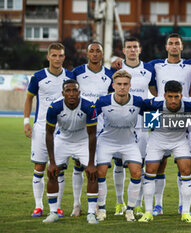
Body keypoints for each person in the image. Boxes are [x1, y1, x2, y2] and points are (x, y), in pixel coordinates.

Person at [112, 33, 191, 216]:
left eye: (177, 43)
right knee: (155, 163)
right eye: (171, 43)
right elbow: (135, 64)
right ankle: (156, 205)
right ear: (166, 47)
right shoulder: (155, 64)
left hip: (183, 114)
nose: (174, 46)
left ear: (182, 47)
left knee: (183, 164)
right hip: (158, 113)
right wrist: (117, 62)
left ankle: (181, 206)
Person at [24, 42, 74, 217]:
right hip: (41, 128)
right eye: (54, 55)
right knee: (39, 167)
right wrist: (26, 122)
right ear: (48, 57)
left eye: (60, 55)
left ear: (64, 57)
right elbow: (29, 99)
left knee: (58, 168)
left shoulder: (70, 76)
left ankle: (58, 207)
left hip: (63, 130)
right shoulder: (38, 77)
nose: (57, 58)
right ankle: (38, 206)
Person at [138, 80, 191, 223]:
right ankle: (148, 212)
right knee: (150, 172)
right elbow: (139, 111)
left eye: (176, 97)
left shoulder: (190, 105)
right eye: (170, 96)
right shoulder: (153, 105)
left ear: (181, 96)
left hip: (179, 141)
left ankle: (185, 212)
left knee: (186, 171)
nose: (173, 100)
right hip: (157, 140)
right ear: (164, 95)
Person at [111, 37, 157, 217]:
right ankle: (118, 202)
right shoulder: (116, 68)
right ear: (123, 50)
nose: (132, 50)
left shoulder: (149, 69)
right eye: (128, 47)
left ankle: (137, 204)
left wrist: (153, 122)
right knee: (119, 164)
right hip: (121, 122)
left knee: (141, 165)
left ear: (140, 49)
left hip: (143, 121)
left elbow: (155, 94)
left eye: (135, 47)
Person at [42, 79, 98, 224]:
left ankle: (91, 213)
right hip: (63, 140)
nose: (71, 93)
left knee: (92, 173)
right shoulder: (54, 107)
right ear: (63, 93)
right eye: (68, 90)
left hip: (83, 140)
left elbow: (92, 134)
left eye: (75, 91)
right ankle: (53, 212)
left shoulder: (88, 106)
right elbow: (49, 134)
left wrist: (91, 163)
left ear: (79, 93)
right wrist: (52, 162)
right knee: (52, 172)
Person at [70, 41, 114, 217]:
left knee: (95, 166)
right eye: (92, 51)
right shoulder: (77, 73)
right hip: (80, 125)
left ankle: (95, 205)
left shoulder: (110, 75)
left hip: (101, 126)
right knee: (78, 166)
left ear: (102, 54)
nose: (95, 54)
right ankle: (76, 204)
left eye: (98, 51)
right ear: (87, 54)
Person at [94, 70, 143, 222]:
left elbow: (151, 119)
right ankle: (101, 208)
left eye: (125, 84)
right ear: (113, 85)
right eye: (119, 84)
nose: (122, 87)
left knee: (136, 172)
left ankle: (129, 209)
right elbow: (90, 120)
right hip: (106, 141)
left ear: (130, 86)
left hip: (129, 142)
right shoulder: (102, 101)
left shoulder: (139, 101)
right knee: (100, 172)